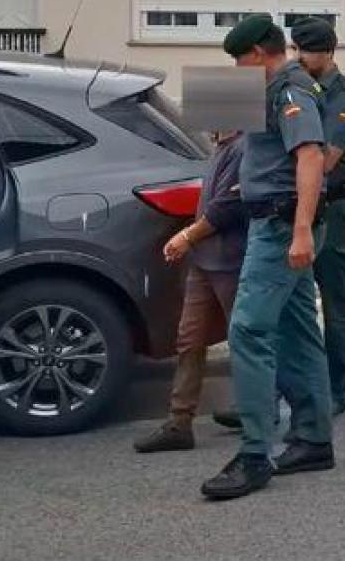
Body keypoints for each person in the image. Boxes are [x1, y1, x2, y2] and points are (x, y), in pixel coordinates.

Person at [201, 15, 334, 501]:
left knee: (249, 329)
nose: (236, 68)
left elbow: (311, 157)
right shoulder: (273, 88)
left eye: (239, 59)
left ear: (259, 52)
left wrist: (300, 232)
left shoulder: (291, 90)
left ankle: (255, 454)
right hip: (273, 222)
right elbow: (260, 149)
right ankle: (314, 439)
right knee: (299, 331)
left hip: (280, 228)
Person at [133, 129, 248, 453]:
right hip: (205, 262)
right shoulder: (221, 147)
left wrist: (187, 237)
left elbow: (227, 207)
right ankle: (179, 423)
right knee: (189, 339)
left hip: (230, 260)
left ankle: (257, 412)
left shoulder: (244, 147)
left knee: (245, 340)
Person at [289, 18, 345, 415]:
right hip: (305, 208)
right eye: (296, 50)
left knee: (336, 300)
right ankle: (279, 394)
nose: (299, 57)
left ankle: (337, 390)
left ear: (328, 52)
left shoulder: (344, 96)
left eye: (307, 51)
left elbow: (327, 158)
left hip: (336, 209)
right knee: (291, 304)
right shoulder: (301, 90)